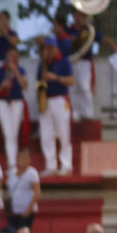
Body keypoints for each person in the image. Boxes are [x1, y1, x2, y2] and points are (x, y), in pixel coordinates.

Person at [37, 36, 74, 175]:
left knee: (63, 132)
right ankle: (50, 165)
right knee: (46, 134)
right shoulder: (42, 64)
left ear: (55, 48)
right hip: (46, 99)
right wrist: (40, 98)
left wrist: (55, 77)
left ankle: (66, 164)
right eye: (46, 49)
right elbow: (39, 82)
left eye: (50, 48)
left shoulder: (64, 61)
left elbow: (71, 80)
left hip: (60, 99)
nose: (48, 51)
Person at [0, 47, 28, 167]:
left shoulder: (21, 70)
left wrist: (16, 72)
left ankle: (12, 162)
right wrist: (2, 86)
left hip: (16, 102)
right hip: (2, 102)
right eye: (11, 56)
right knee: (8, 133)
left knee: (13, 132)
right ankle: (12, 163)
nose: (13, 58)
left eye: (15, 56)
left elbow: (24, 85)